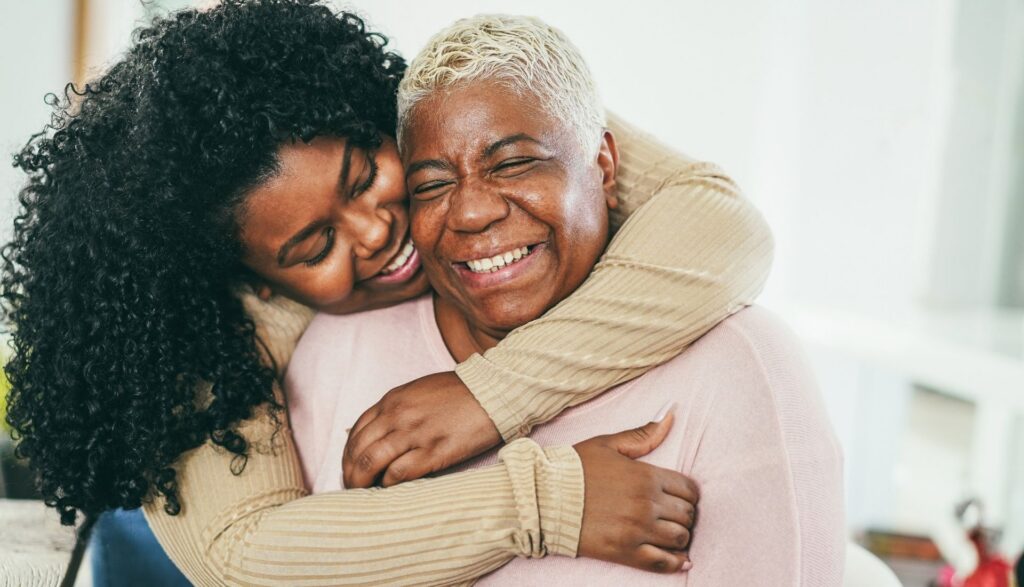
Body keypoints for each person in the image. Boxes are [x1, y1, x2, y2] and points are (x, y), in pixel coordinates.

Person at [1, 1, 772, 584]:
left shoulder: (436, 112)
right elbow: (242, 552)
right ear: (255, 280)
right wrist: (542, 503)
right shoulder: (205, 326)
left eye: (367, 175)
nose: (373, 232)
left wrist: (490, 394)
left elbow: (723, 221)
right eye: (314, 247)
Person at [286, 14, 845, 586]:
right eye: (431, 185)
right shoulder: (338, 349)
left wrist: (489, 394)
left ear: (603, 166)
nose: (472, 211)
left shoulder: (740, 365)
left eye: (513, 163)